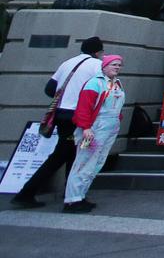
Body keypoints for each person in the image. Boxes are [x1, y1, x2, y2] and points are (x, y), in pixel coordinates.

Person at [10, 37, 105, 209]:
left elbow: (49, 88)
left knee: (72, 154)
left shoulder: (67, 63)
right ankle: (27, 193)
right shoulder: (96, 66)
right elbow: (101, 91)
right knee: (63, 154)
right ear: (97, 52)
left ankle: (72, 194)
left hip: (61, 114)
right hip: (78, 116)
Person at [62, 54, 127, 213]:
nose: (117, 67)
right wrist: (85, 127)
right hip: (94, 129)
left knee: (96, 163)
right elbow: (84, 107)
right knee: (83, 162)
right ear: (104, 66)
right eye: (114, 64)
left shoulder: (116, 83)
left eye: (119, 65)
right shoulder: (94, 83)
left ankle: (80, 195)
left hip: (108, 128)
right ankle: (72, 199)